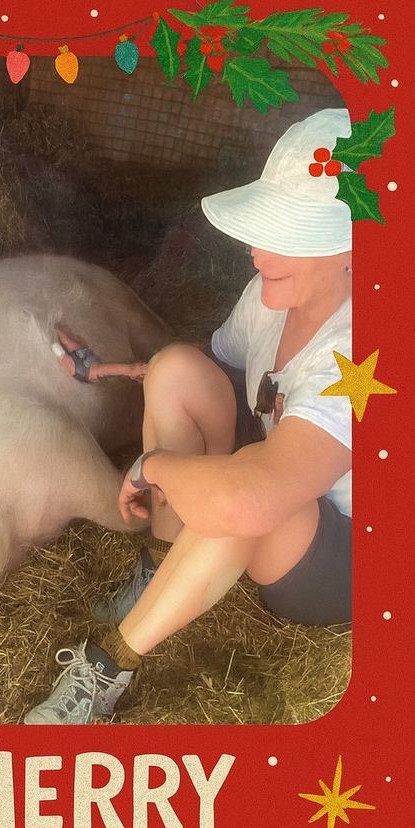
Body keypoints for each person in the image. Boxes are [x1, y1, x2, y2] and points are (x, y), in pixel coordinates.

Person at [23, 107, 352, 725]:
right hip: (273, 468)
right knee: (176, 367)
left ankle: (109, 664)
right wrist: (118, 371)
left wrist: (156, 465)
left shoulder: (356, 346)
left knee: (249, 493)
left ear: (351, 247)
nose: (256, 252)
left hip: (338, 550)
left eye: (287, 236)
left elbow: (249, 500)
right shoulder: (271, 291)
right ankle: (162, 570)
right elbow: (214, 367)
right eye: (263, 228)